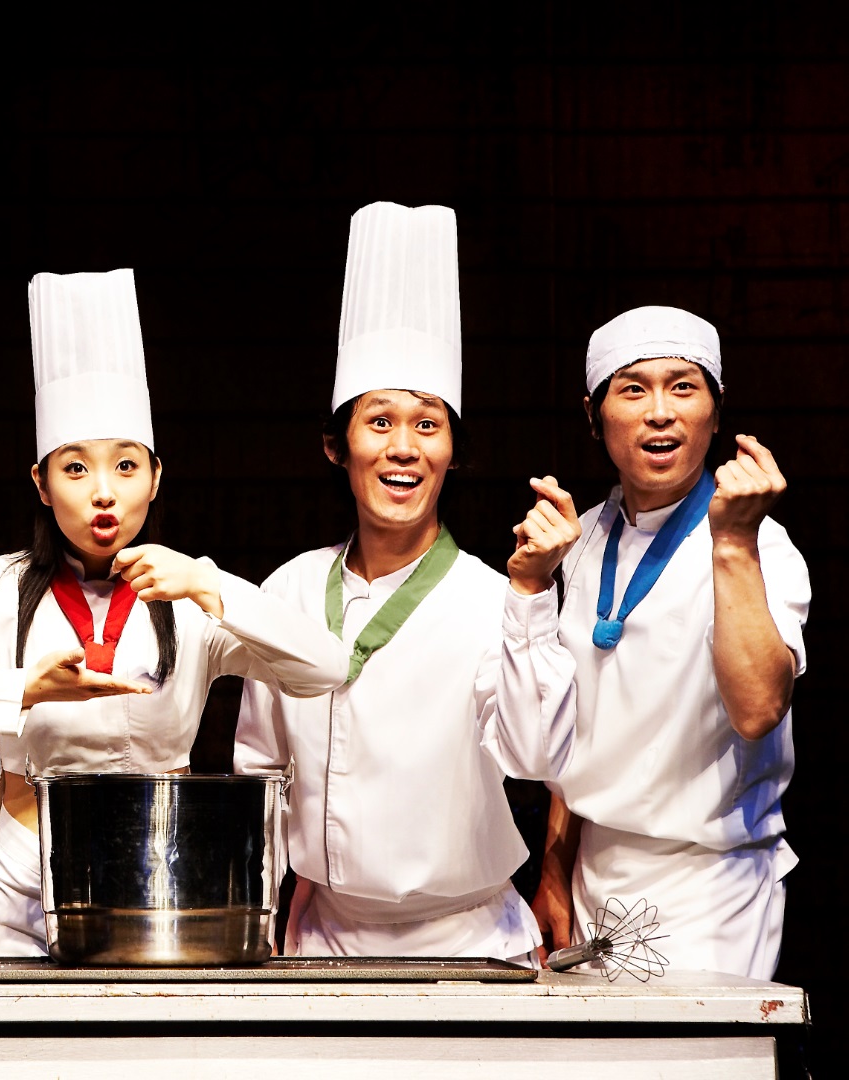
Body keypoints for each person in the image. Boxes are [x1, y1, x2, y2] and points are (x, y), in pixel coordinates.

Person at [0, 268, 349, 955]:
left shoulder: (190, 596)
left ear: (155, 477)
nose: (103, 494)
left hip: (161, 872)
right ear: (41, 482)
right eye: (75, 468)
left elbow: (327, 668)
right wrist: (24, 688)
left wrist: (209, 584)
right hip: (24, 879)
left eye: (125, 466)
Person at [234, 202, 569, 963]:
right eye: (379, 422)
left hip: (471, 940)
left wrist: (531, 596)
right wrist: (257, 921)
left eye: (427, 424)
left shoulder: (493, 598)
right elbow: (260, 773)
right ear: (338, 446)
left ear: (452, 450)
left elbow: (538, 757)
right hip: (320, 938)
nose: (404, 448)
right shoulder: (288, 590)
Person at [499, 305, 809, 978]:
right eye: (633, 389)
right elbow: (577, 721)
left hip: (713, 885)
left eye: (683, 387)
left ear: (716, 413)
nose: (660, 412)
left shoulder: (763, 543)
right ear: (594, 414)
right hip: (592, 876)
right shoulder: (581, 537)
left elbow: (759, 709)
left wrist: (733, 542)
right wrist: (554, 866)